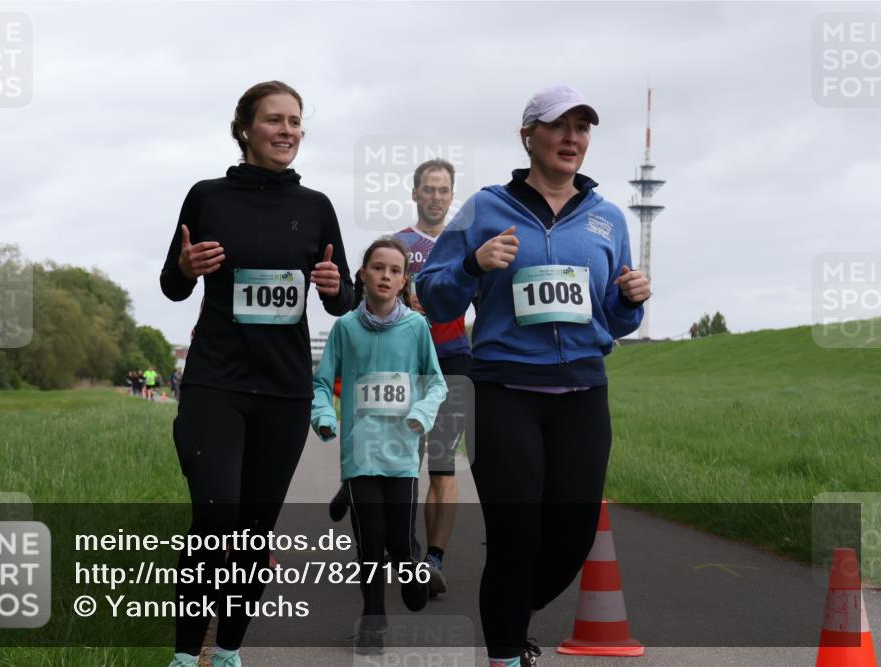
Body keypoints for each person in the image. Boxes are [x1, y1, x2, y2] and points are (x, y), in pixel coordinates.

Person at [415, 84, 650, 667]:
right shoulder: (484, 207)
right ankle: (504, 653)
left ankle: (512, 615)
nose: (572, 138)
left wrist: (631, 301)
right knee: (515, 538)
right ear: (528, 136)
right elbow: (434, 297)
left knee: (569, 540)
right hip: (503, 392)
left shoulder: (608, 219)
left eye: (582, 128)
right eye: (558, 126)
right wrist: (472, 263)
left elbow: (615, 320)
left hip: (582, 395)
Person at [160, 80, 356, 667]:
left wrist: (333, 287)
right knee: (216, 515)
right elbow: (172, 287)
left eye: (296, 121)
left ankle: (226, 652)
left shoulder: (315, 207)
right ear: (245, 127)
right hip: (215, 381)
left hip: (284, 389)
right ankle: (179, 655)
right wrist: (186, 266)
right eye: (275, 120)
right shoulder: (207, 197)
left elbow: (342, 298)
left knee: (252, 531)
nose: (288, 131)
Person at [312, 236, 447, 655]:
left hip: (402, 454)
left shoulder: (416, 328)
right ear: (363, 275)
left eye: (394, 270)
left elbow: (436, 382)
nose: (385, 276)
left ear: (404, 279)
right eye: (378, 268)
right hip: (360, 454)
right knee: (369, 542)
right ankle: (374, 620)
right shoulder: (345, 328)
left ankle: (410, 569)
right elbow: (321, 383)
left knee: (399, 541)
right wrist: (325, 416)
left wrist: (421, 415)